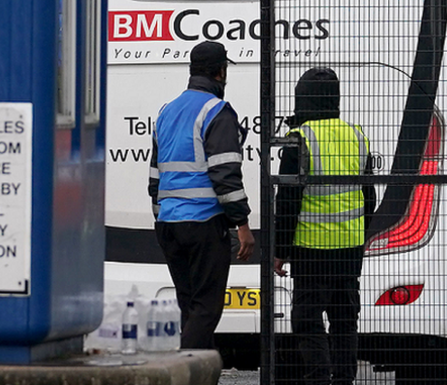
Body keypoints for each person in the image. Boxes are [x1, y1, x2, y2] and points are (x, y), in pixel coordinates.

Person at [149, 40, 255, 350]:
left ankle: (197, 373)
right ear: (221, 72)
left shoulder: (167, 111)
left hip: (168, 224)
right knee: (207, 309)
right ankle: (184, 372)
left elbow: (155, 175)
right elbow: (225, 174)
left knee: (191, 307)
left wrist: (161, 214)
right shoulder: (217, 111)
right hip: (204, 222)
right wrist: (243, 225)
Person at [274, 68, 375, 385]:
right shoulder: (356, 135)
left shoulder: (299, 139)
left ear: (302, 98)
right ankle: (345, 379)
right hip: (349, 248)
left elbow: (287, 201)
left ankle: (319, 379)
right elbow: (368, 195)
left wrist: (280, 251)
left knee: (307, 318)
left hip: (311, 248)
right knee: (345, 319)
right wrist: (360, 233)